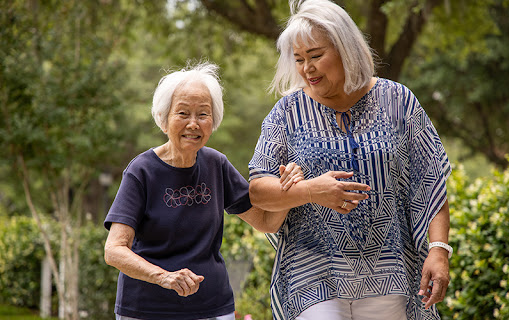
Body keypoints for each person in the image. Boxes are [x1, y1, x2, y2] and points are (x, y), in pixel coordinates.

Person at [248, 1, 452, 319]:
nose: (306, 68)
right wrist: (311, 190)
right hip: (312, 277)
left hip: (391, 275)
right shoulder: (287, 113)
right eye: (299, 59)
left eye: (316, 56)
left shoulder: (398, 101)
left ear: (346, 48)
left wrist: (439, 249)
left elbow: (430, 179)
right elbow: (258, 190)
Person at [103, 61, 304, 320]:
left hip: (212, 307)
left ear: (213, 120)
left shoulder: (216, 164)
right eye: (183, 113)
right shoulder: (141, 171)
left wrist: (289, 189)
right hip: (147, 309)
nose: (194, 124)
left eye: (203, 114)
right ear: (164, 120)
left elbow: (265, 221)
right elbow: (114, 250)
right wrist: (164, 277)